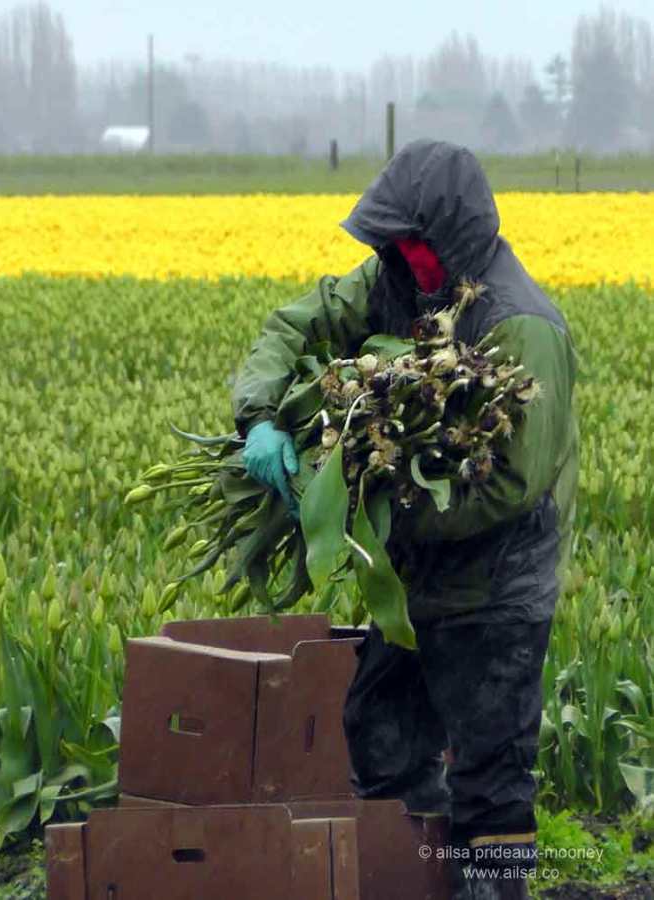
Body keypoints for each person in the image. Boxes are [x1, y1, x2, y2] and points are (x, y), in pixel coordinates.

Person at [232, 139, 579, 900]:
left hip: (495, 592)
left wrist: (376, 508)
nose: (399, 258)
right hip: (416, 589)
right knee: (378, 737)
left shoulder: (520, 324)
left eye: (411, 243)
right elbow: (296, 326)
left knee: (490, 786)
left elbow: (511, 485)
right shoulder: (395, 282)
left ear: (450, 237)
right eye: (391, 245)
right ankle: (413, 880)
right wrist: (259, 418)